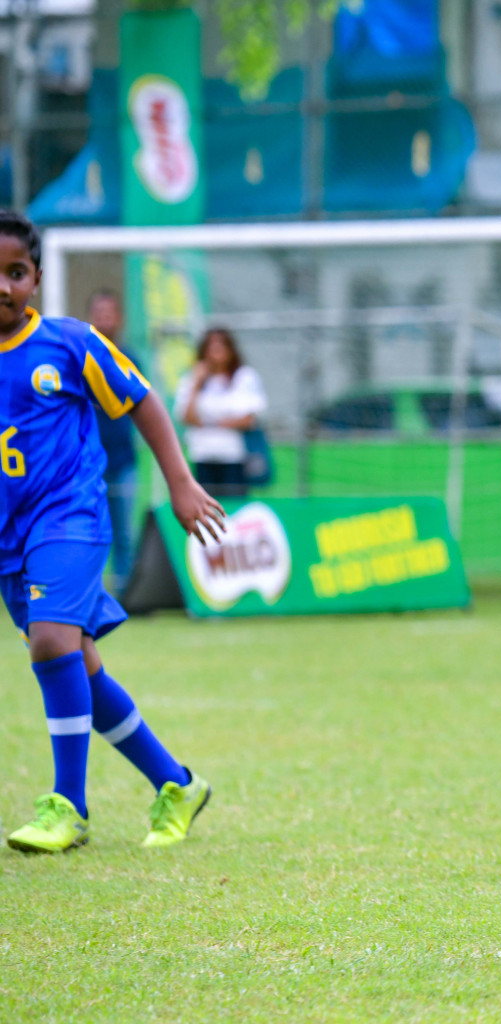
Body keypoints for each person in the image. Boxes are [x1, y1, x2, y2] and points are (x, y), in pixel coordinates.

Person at [0, 209, 223, 852]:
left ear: (36, 279)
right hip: (11, 541)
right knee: (78, 666)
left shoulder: (69, 343)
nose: (4, 286)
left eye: (16, 273)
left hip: (69, 519)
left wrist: (179, 482)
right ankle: (176, 783)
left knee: (49, 643)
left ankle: (68, 806)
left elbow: (144, 398)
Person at [87, 290, 139, 593]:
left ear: (119, 318)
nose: (105, 319)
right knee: (90, 532)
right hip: (87, 463)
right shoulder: (78, 359)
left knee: (123, 533)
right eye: (100, 313)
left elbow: (140, 405)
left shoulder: (130, 359)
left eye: (110, 312)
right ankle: (90, 593)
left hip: (123, 461)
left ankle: (126, 595)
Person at [173, 327, 265, 498]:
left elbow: (248, 419)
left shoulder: (244, 377)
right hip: (202, 455)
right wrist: (197, 383)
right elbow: (186, 417)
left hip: (234, 457)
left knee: (234, 509)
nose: (216, 352)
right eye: (211, 347)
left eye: (221, 346)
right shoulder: (192, 379)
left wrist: (210, 423)